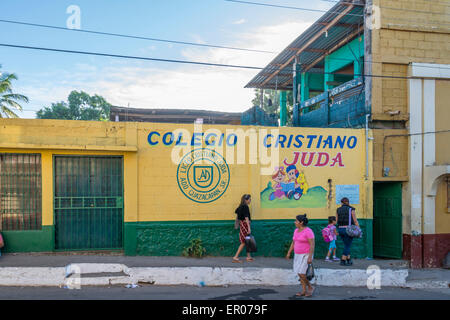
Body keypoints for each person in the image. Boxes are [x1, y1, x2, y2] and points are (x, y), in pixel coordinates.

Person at [286, 214, 315, 297]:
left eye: (296, 221)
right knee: (299, 273)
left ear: (301, 222)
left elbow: (312, 244)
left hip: (306, 255)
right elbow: (294, 242)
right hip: (297, 255)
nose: (294, 222)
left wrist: (310, 256)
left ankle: (310, 287)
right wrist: (289, 252)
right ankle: (303, 291)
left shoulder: (308, 231)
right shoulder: (296, 230)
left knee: (302, 273)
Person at [336, 197, 360, 266]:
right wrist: (358, 229)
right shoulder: (351, 209)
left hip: (340, 229)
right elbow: (355, 220)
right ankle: (343, 260)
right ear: (348, 202)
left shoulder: (338, 210)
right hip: (348, 230)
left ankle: (348, 259)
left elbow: (336, 220)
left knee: (346, 244)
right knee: (347, 245)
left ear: (341, 203)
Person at [232, 194, 254, 263]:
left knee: (247, 240)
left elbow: (236, 211)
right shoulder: (245, 207)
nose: (250, 201)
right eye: (249, 199)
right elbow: (246, 217)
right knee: (244, 242)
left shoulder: (241, 206)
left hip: (243, 224)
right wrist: (249, 228)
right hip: (245, 225)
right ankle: (235, 257)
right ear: (245, 200)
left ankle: (248, 257)